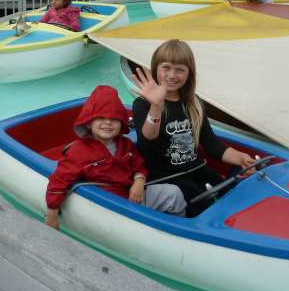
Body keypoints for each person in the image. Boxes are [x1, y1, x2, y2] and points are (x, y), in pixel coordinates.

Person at [131, 40, 257, 218]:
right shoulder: (143, 104)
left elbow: (212, 144)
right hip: (167, 177)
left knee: (233, 195)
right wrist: (157, 105)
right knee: (204, 207)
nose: (172, 75)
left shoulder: (193, 103)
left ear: (189, 73)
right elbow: (147, 138)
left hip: (197, 169)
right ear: (155, 69)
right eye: (166, 67)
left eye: (180, 70)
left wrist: (240, 158)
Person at [44, 85, 186, 230]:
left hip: (134, 197)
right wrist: (52, 216)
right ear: (88, 123)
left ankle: (177, 230)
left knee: (174, 193)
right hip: (111, 208)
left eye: (114, 118)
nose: (108, 122)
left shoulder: (125, 144)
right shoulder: (78, 151)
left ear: (121, 123)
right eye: (100, 117)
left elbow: (138, 165)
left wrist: (139, 181)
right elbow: (58, 181)